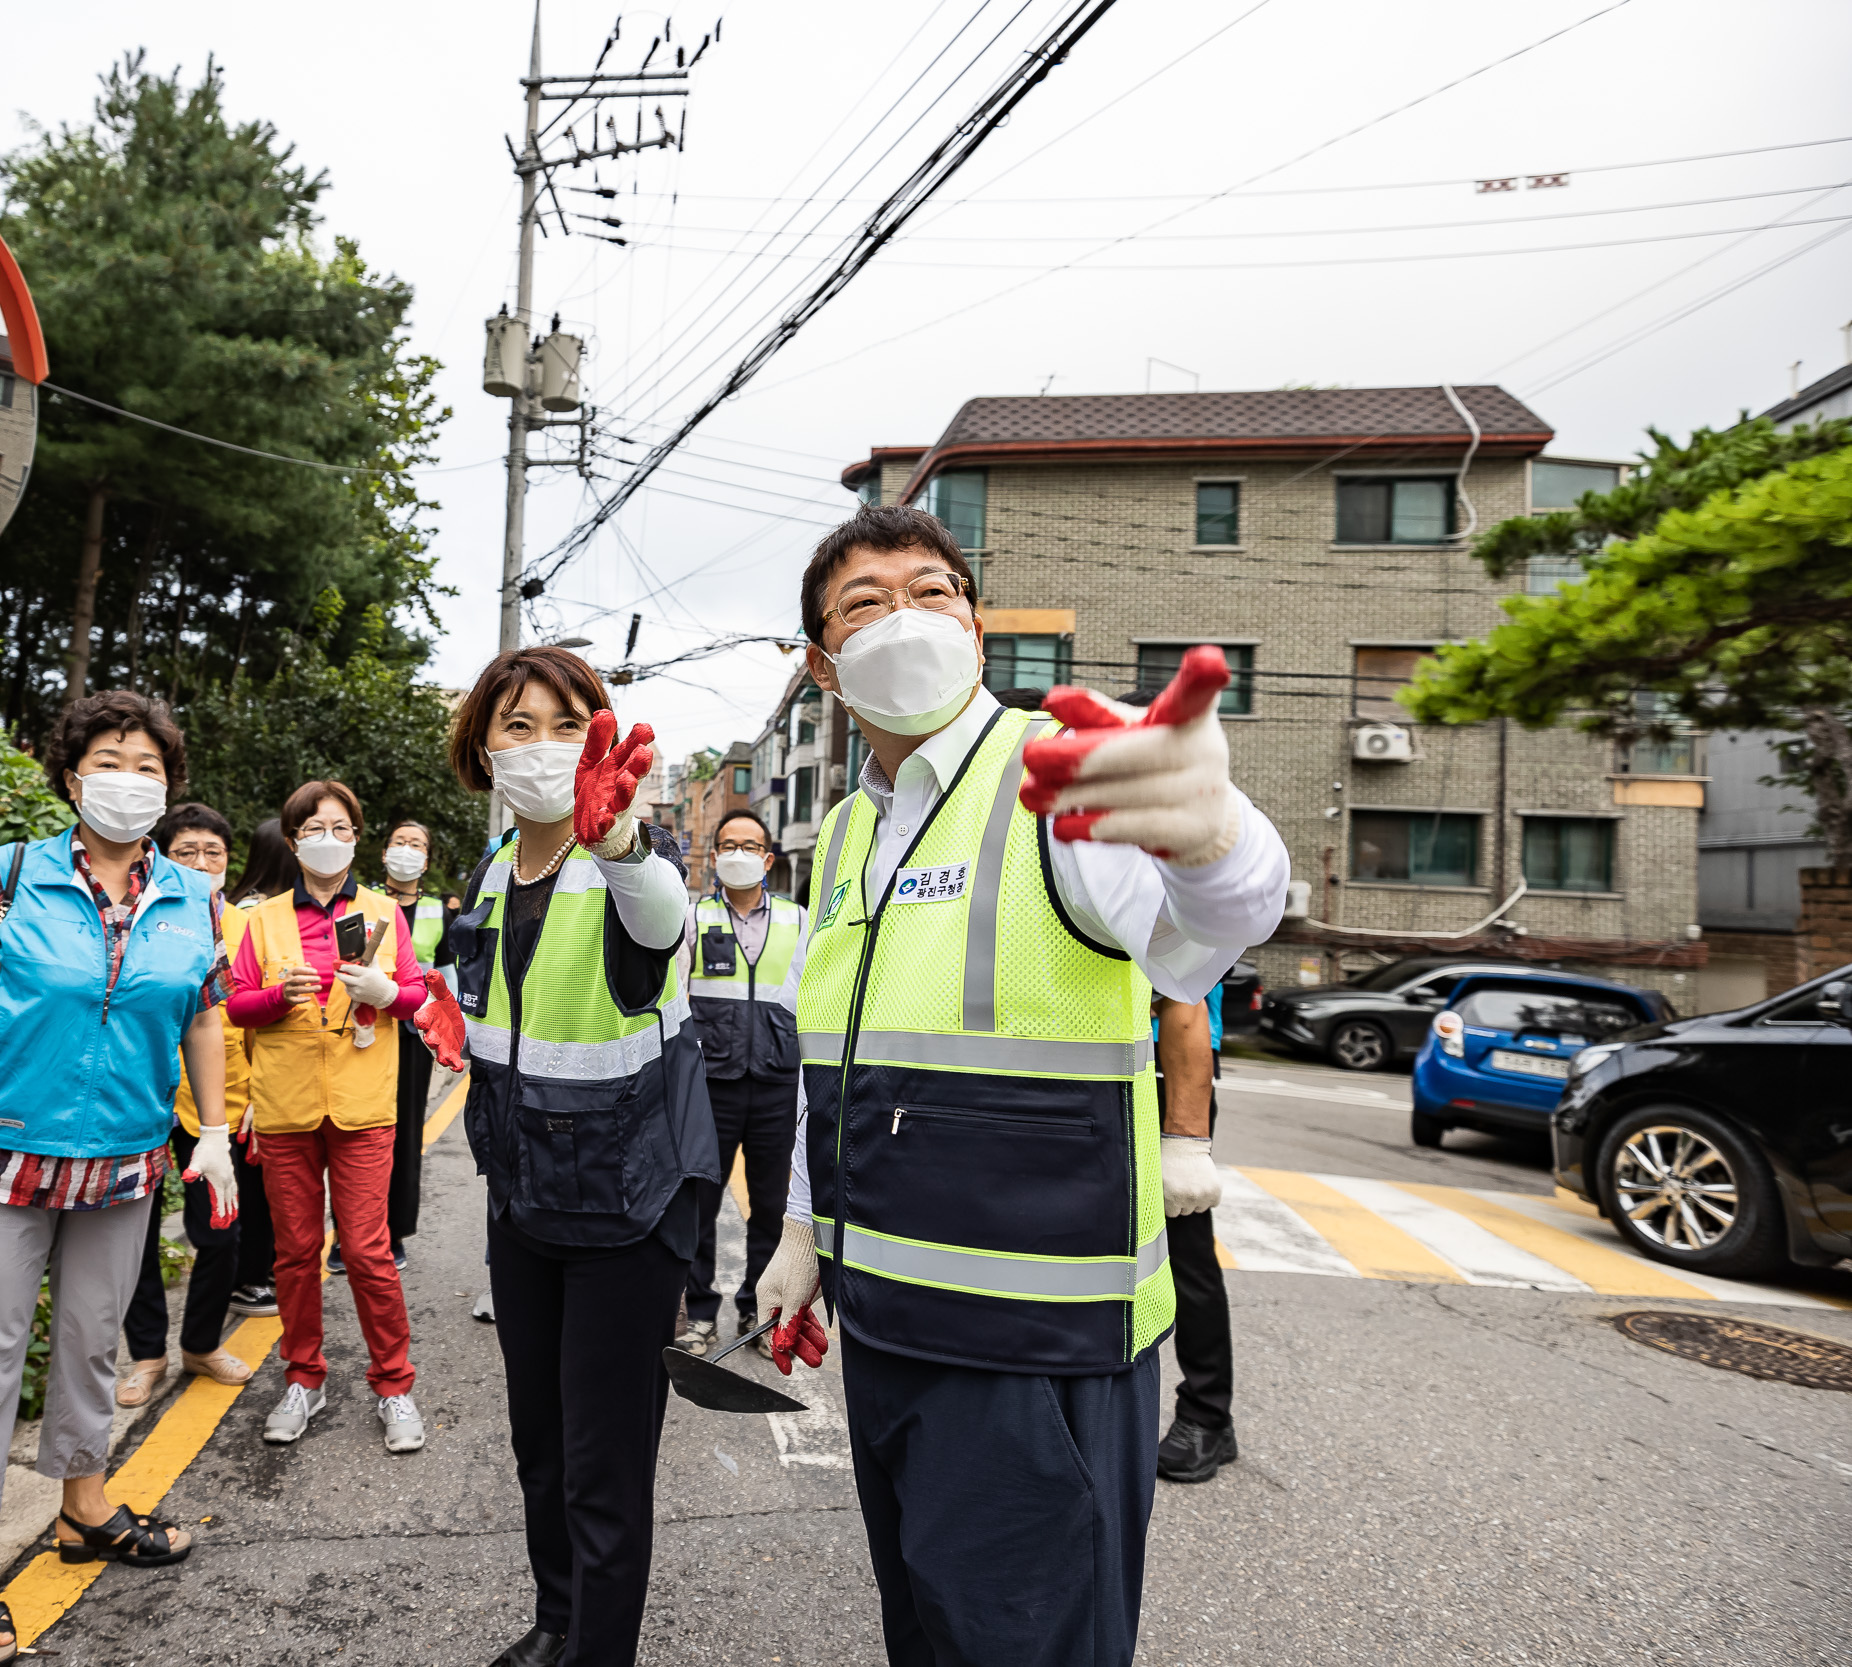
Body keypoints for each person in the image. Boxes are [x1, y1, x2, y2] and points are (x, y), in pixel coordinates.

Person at [755, 503, 1281, 1667]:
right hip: (885, 1330)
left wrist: (1215, 841)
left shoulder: (1060, 773)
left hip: (1034, 1352)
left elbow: (1201, 937)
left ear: (979, 626)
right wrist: (800, 1229)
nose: (904, 614)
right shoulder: (845, 832)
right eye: (863, 600)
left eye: (931, 589)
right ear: (821, 665)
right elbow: (829, 1059)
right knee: (930, 1636)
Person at [0, 690, 231, 1667]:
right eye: (111, 757)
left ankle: (83, 1505)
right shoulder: (9, 874)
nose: (129, 778)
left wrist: (217, 1129)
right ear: (71, 775)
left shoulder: (193, 898)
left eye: (148, 765)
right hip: (1, 1157)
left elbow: (201, 1016)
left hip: (125, 1163)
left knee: (91, 1347)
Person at [443, 646, 719, 1667]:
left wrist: (622, 843)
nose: (543, 745)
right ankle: (557, 1620)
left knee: (604, 1468)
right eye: (518, 724)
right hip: (522, 1200)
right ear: (482, 744)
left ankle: (597, 1650)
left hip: (627, 1207)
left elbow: (660, 915)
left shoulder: (624, 865)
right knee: (540, 1447)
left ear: (603, 741)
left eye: (569, 723)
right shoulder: (486, 870)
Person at [226, 780, 430, 1453]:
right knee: (294, 1253)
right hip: (285, 1107)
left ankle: (394, 1385)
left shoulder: (381, 912)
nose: (330, 838)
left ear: (356, 837)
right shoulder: (262, 919)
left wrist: (387, 989)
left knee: (369, 1251)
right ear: (292, 839)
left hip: (363, 1106)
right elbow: (236, 1005)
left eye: (342, 828)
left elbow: (417, 996)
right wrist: (276, 995)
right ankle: (303, 1376)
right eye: (316, 827)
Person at [118, 804, 260, 1404]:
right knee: (134, 1235)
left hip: (219, 1105)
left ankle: (200, 1345)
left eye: (214, 853)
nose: (202, 864)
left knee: (221, 1234)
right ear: (160, 857)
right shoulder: (141, 918)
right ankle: (147, 1355)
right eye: (187, 852)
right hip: (144, 1097)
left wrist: (258, 1094)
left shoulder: (247, 927)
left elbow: (263, 1017)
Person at [675, 807, 808, 1359]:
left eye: (749, 846)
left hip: (777, 1082)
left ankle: (759, 1307)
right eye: (727, 844)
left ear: (768, 859)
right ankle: (700, 1314)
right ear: (713, 857)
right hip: (710, 1085)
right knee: (699, 1204)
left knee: (772, 1207)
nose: (738, 853)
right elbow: (674, 1000)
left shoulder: (799, 921)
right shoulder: (691, 918)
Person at [1155, 982, 1234, 1483]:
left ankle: (1207, 1416)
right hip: (1096, 1059)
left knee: (1185, 1252)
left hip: (1173, 1062)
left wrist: (1185, 1139)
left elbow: (1183, 987)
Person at [221, 817, 299, 1318]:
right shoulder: (257, 916)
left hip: (258, 1072)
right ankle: (250, 1279)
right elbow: (238, 1008)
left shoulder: (253, 908)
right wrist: (250, 1088)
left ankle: (253, 1272)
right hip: (251, 1074)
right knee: (256, 1185)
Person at [380, 817, 444, 1267]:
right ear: (384, 852)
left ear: (426, 859)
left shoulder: (443, 910)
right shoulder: (360, 901)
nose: (407, 848)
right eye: (399, 841)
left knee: (404, 1131)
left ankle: (394, 1230)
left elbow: (449, 974)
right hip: (363, 1029)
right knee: (358, 1131)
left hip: (413, 1033)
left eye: (416, 843)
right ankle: (351, 1230)